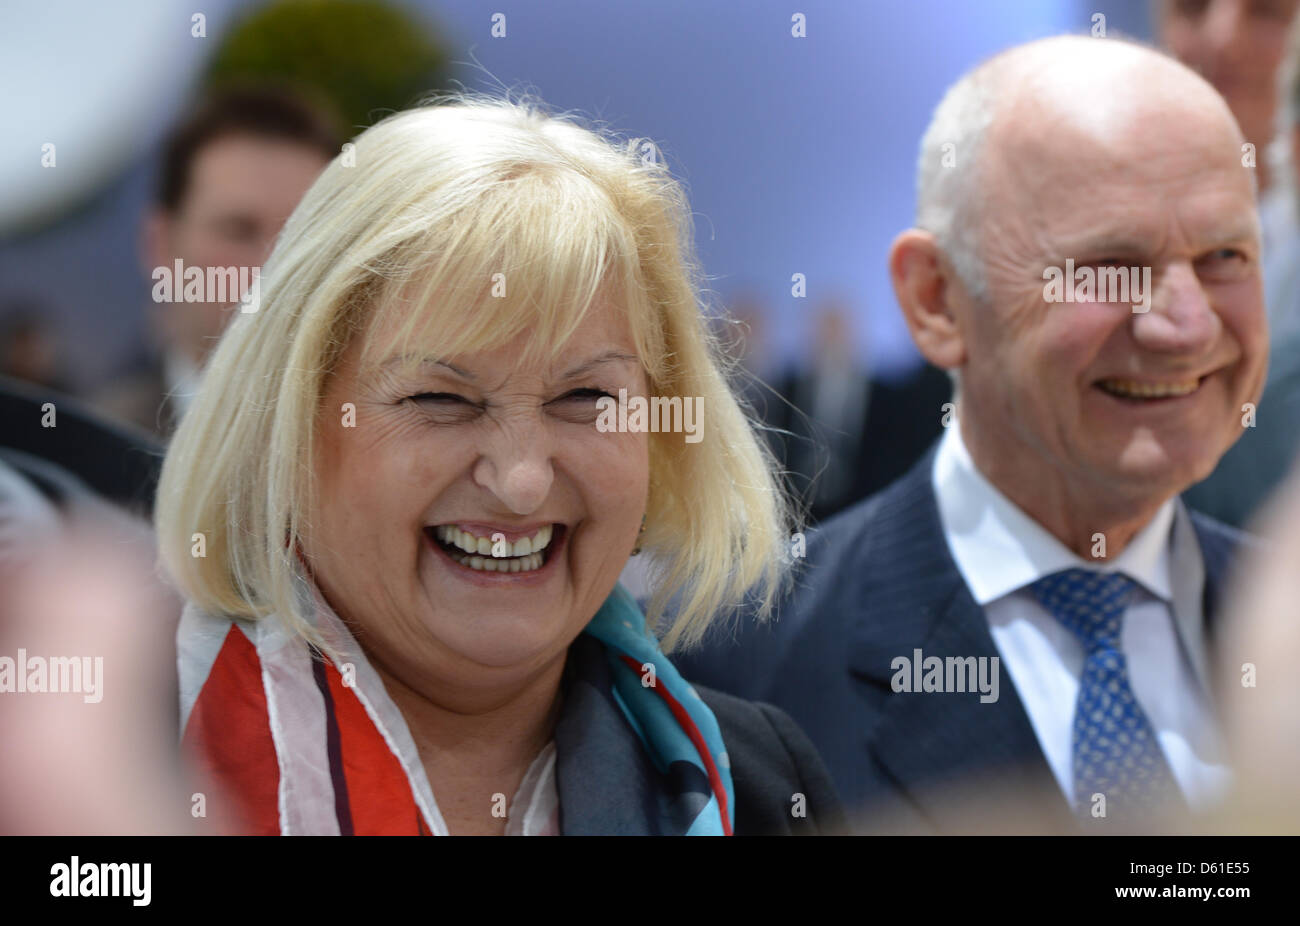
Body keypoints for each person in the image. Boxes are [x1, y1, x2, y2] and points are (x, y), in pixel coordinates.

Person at [155, 95, 844, 836]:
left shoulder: (760, 787)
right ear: (288, 427)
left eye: (584, 395)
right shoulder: (95, 759)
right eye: (439, 398)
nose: (522, 482)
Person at [674, 35, 1266, 833]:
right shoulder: (731, 675)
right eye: (1110, 265)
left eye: (1225, 254)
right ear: (938, 301)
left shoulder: (1281, 621)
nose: (1188, 327)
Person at [95, 87, 340, 436]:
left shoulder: (376, 451)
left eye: (302, 233)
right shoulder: (87, 453)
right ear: (161, 245)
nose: (274, 266)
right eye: (238, 231)